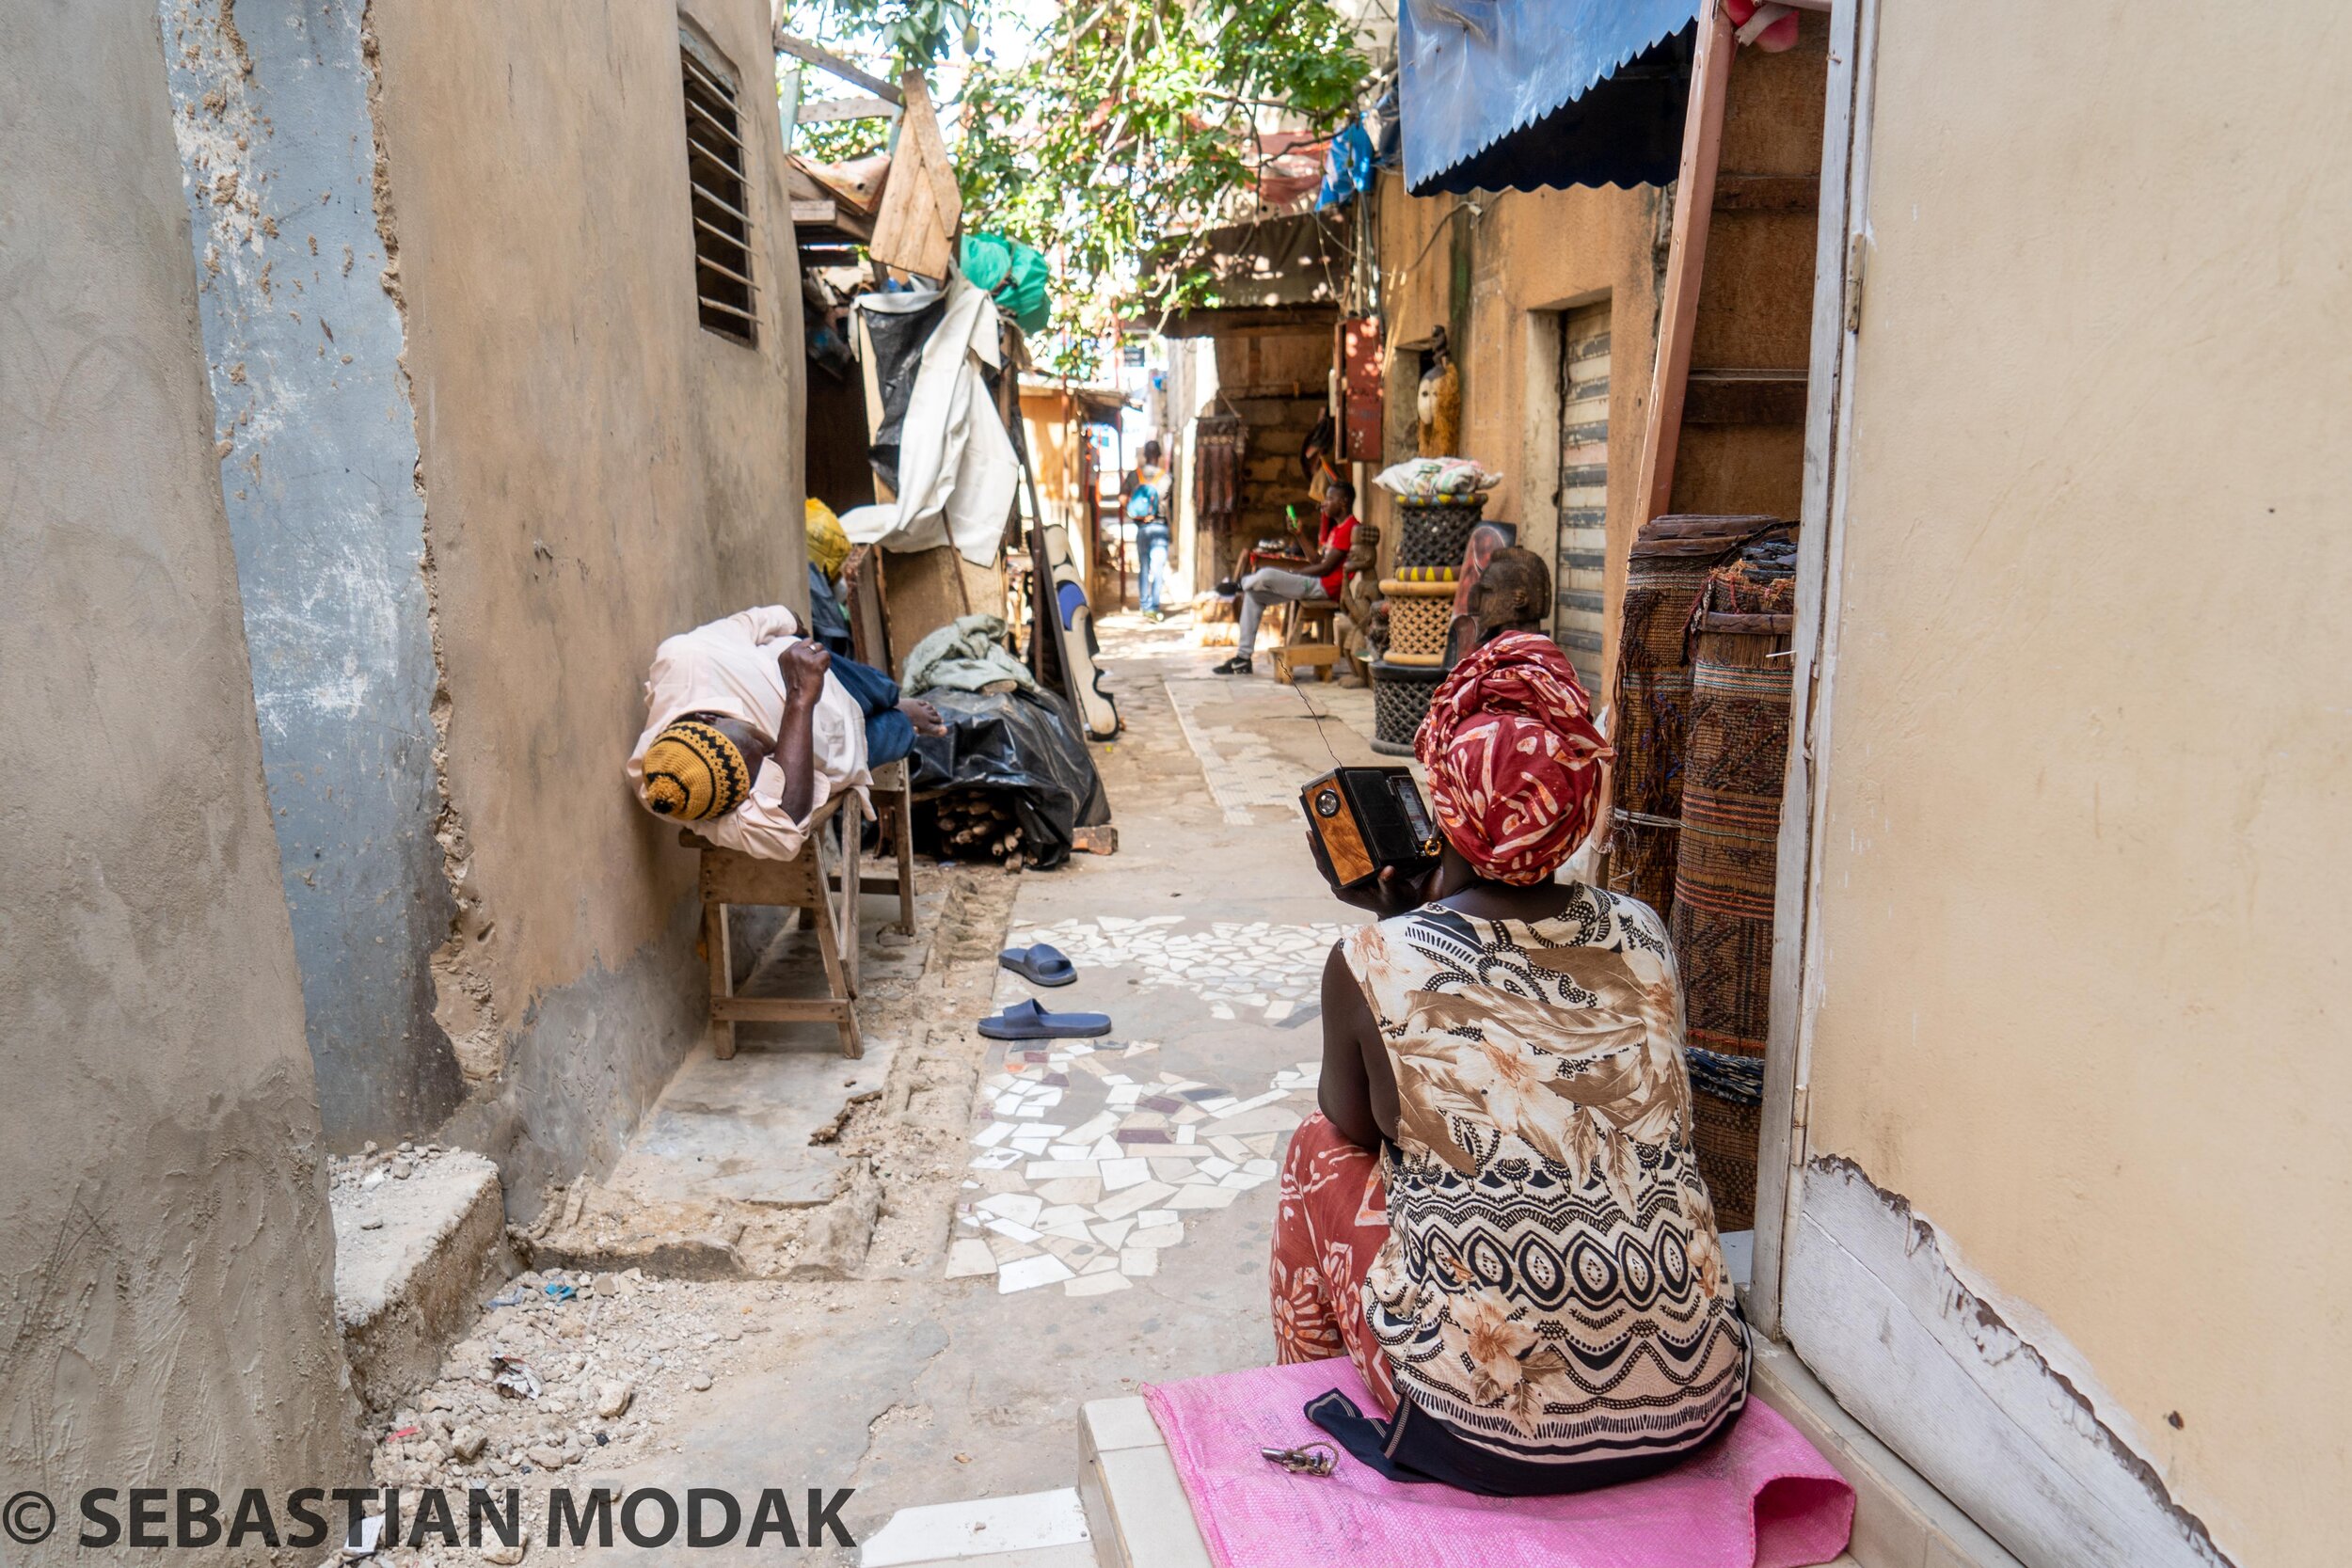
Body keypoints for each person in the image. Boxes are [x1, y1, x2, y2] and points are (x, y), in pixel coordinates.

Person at [1274, 631, 1749, 1496]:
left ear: (1445, 802)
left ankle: (1303, 1409)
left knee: (1314, 1149)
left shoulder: (1373, 958)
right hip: (1696, 1391)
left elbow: (1350, 1122)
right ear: (1576, 800)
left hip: (1483, 1428)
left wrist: (1391, 932)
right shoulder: (1642, 932)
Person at [625, 606, 945, 862]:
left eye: (757, 747)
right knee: (898, 734)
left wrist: (794, 625)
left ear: (708, 717)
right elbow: (784, 833)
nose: (769, 753)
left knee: (880, 687)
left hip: (827, 679)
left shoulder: (688, 658)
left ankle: (893, 701)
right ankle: (903, 721)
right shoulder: (693, 802)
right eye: (764, 768)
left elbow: (757, 621)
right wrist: (799, 701)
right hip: (836, 750)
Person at [1214, 479, 1358, 675]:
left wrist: (1294, 574)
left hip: (1326, 587)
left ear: (1344, 502)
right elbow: (1316, 560)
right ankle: (1242, 659)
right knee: (1254, 596)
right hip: (1317, 583)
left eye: (1330, 499)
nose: (1324, 503)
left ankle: (1240, 584)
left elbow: (1325, 569)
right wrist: (1299, 534)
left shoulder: (1350, 527)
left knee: (1267, 574)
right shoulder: (1336, 529)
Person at [1127, 439, 1174, 621]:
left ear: (1145, 455)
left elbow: (1123, 498)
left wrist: (1135, 514)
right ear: (1159, 456)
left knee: (1144, 568)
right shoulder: (1166, 477)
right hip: (1160, 526)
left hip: (1142, 528)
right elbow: (1164, 499)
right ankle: (1154, 607)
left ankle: (1144, 605)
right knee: (1158, 569)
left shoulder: (1134, 476)